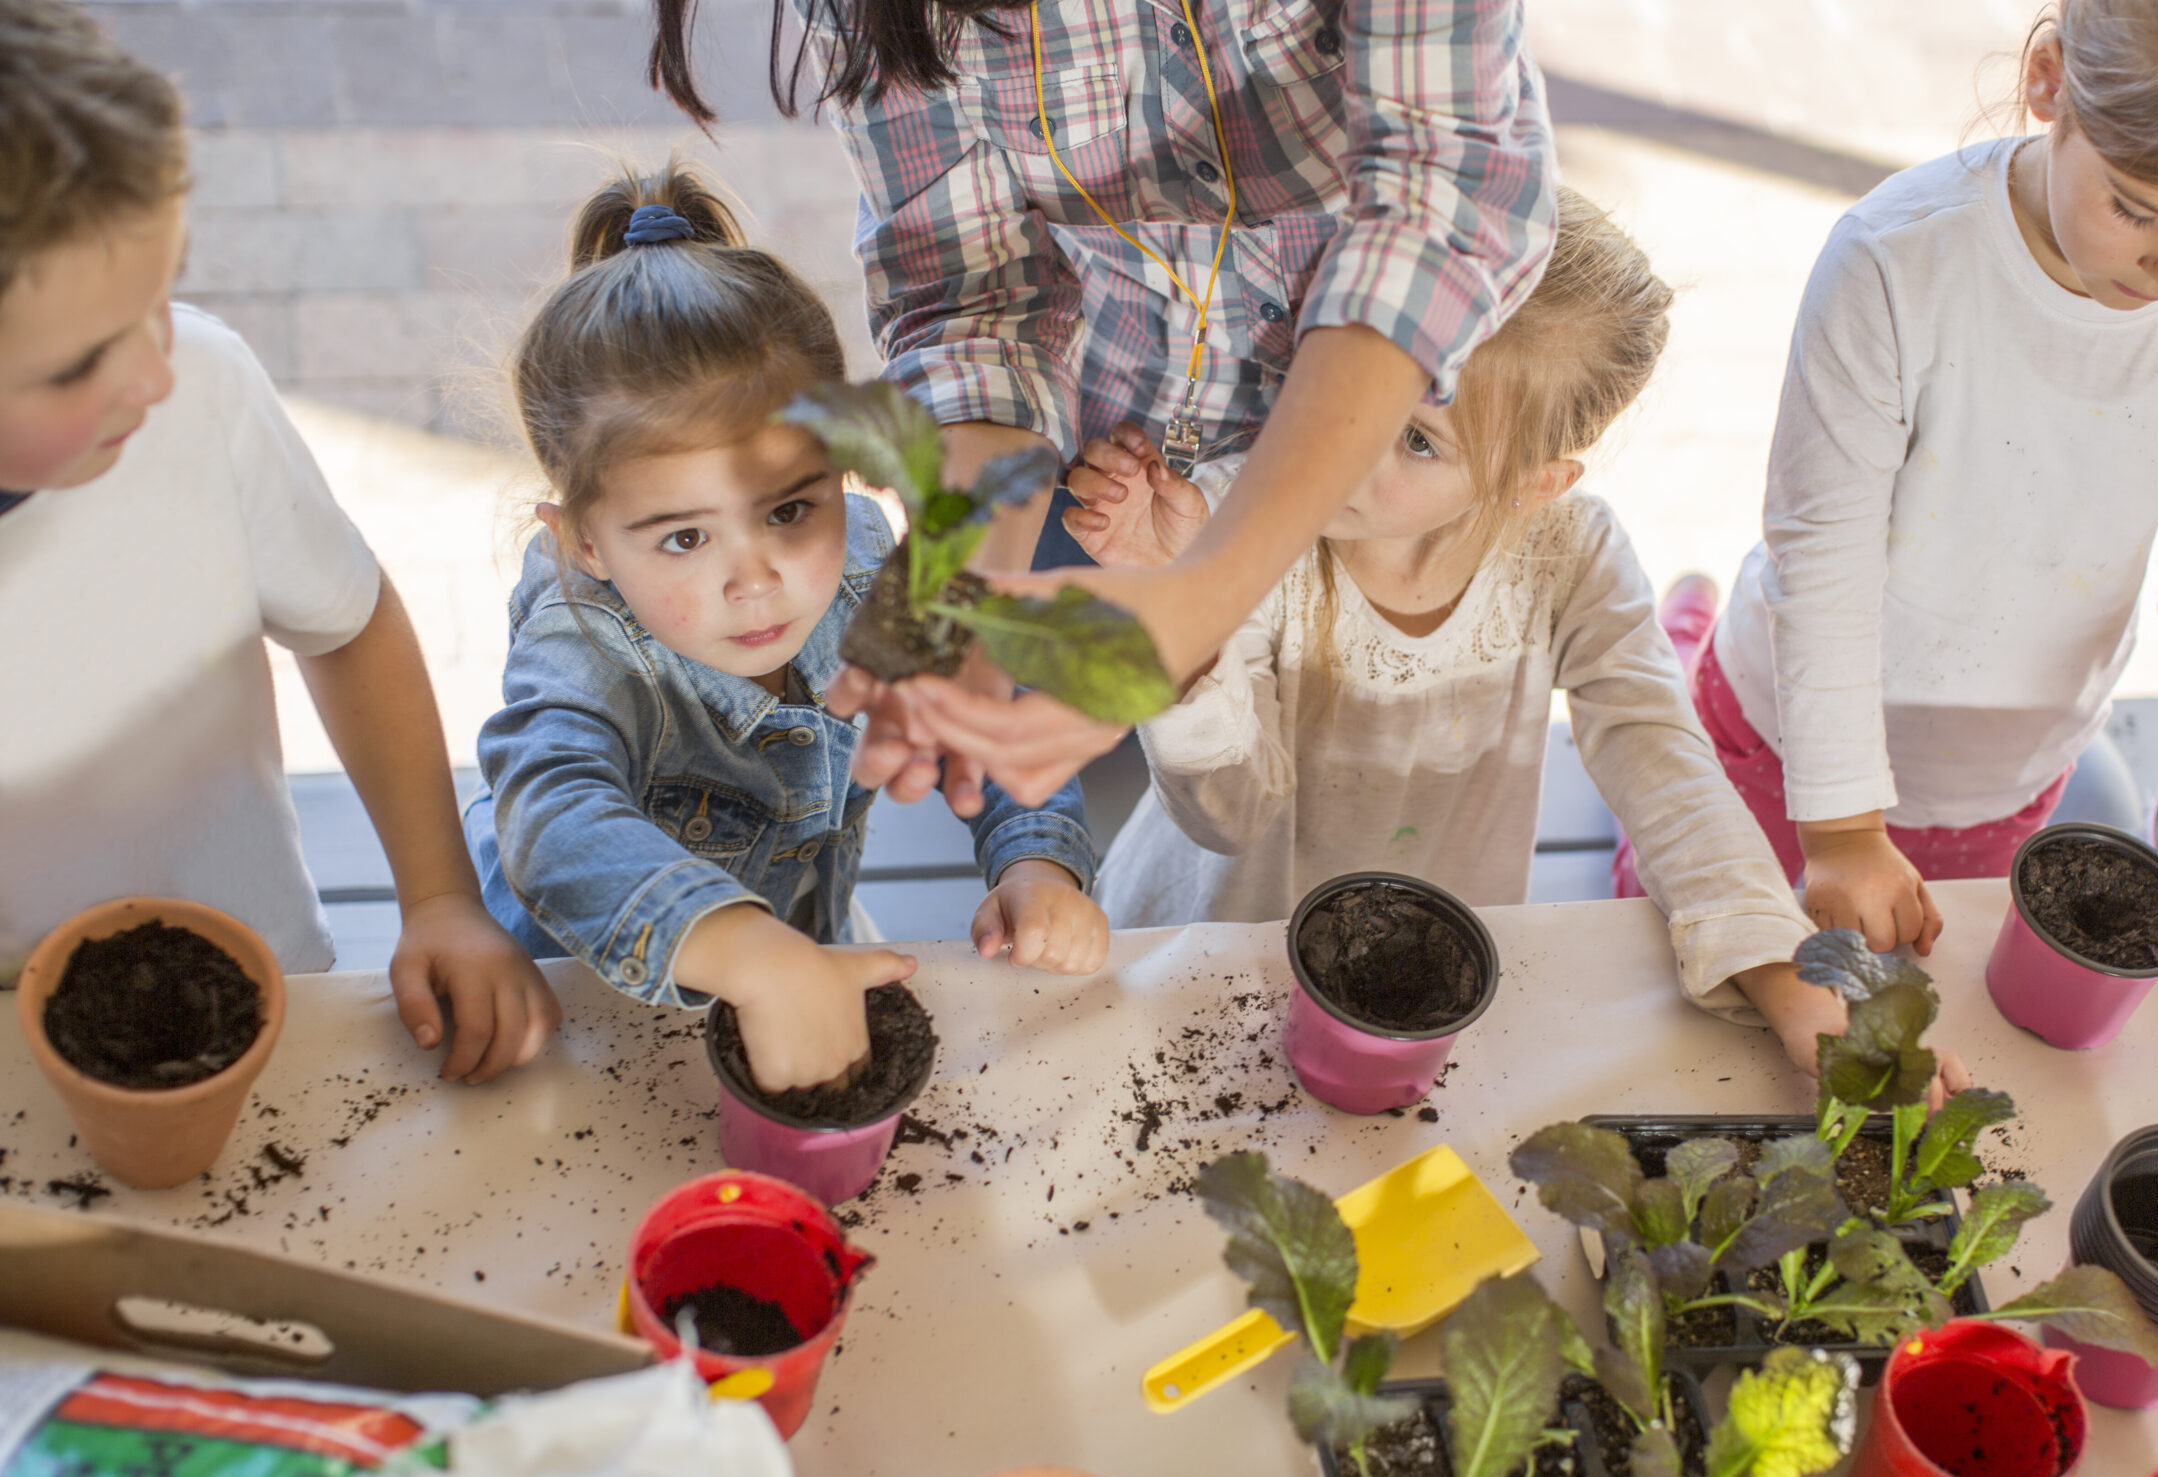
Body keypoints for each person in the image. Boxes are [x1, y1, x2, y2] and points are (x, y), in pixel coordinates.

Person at [646, 0, 1557, 810]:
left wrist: (1200, 597)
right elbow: (973, 293)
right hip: (1084, 450)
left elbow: (1435, 202)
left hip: (1377, 426)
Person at [1620, 0, 2158, 955]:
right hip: (1793, 751)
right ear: (2049, 80)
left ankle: (1684, 626)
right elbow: (1824, 555)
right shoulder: (1894, 259)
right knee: (1689, 945)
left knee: (1899, 1000)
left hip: (2014, 774)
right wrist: (1845, 829)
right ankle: (1684, 650)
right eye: (2138, 211)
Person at [1068, 192, 1852, 1075]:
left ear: (1533, 482)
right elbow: (1228, 812)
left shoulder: (1573, 554)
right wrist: (1179, 611)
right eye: (1352, 379)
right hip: (1208, 957)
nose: (1346, 443)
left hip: (1415, 976)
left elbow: (1660, 756)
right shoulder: (1233, 513)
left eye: (1415, 437)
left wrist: (1786, 979)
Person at [0, 0, 557, 1084]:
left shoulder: (199, 391)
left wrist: (439, 892)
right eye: (80, 365)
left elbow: (345, 623)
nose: (153, 375)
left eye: (163, 298)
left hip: (260, 996)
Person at [465, 164, 1108, 1093]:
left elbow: (988, 707)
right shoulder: (582, 648)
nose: (755, 579)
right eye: (685, 537)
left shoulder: (868, 566)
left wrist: (1039, 859)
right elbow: (554, 822)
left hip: (801, 945)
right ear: (585, 544)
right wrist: (754, 956)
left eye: (787, 513)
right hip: (577, 1000)